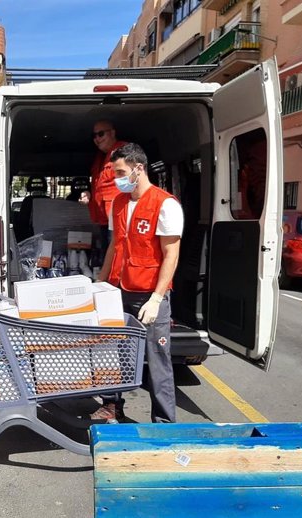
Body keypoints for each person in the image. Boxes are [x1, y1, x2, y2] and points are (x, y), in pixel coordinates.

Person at [94, 143, 183, 424]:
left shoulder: (164, 204)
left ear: (138, 168)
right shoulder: (119, 202)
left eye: (120, 172)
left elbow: (171, 253)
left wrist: (157, 298)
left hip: (147, 294)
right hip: (118, 289)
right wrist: (101, 281)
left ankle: (164, 422)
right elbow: (114, 246)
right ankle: (112, 406)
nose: (115, 178)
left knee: (157, 359)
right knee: (114, 352)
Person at [88, 120, 126, 255]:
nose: (97, 139)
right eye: (94, 136)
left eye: (101, 134)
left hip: (119, 218)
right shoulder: (101, 157)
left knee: (116, 257)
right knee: (108, 257)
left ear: (113, 133)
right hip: (105, 219)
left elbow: (134, 184)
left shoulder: (123, 152)